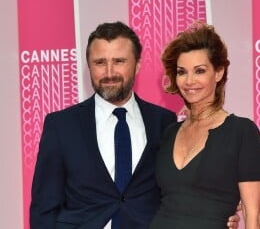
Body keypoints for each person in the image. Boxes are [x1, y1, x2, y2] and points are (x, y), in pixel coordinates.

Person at [30, 21, 241, 229]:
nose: (109, 72)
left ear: (137, 64)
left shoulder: (164, 122)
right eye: (100, 62)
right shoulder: (61, 125)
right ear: (89, 66)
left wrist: (216, 215)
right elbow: (44, 207)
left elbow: (178, 192)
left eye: (119, 61)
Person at [149, 21, 260, 229]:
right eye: (182, 72)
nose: (189, 81)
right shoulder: (169, 132)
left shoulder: (242, 132)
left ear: (218, 73)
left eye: (200, 71)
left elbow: (253, 214)